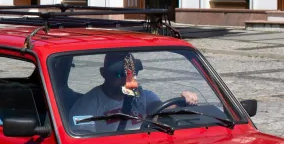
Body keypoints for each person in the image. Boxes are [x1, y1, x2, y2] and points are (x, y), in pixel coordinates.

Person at [69, 53, 198, 133]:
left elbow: (160, 108)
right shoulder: (88, 105)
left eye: (130, 74)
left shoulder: (143, 95)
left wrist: (183, 100)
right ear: (103, 73)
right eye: (119, 74)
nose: (126, 79)